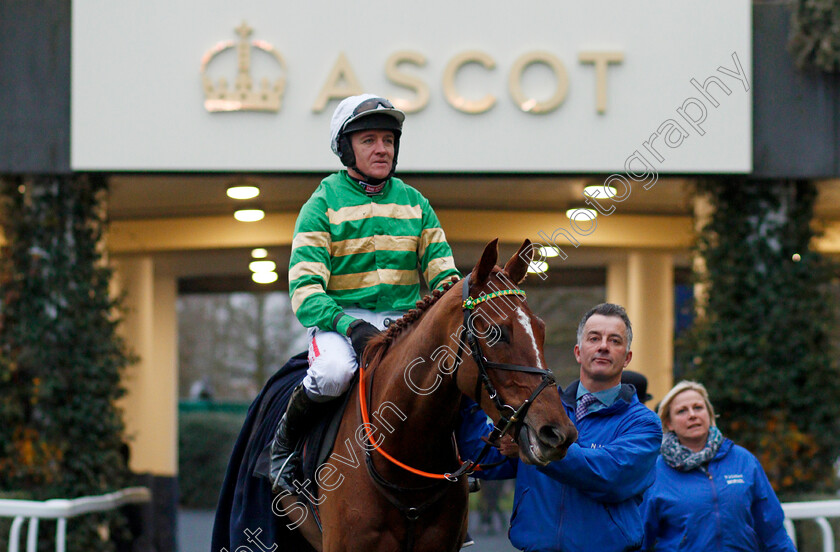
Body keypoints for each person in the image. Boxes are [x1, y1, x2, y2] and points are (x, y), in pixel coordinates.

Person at [270, 94, 461, 492]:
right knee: (333, 374)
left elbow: (444, 276)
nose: (382, 149)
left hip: (404, 323)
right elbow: (305, 290)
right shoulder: (320, 204)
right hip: (340, 322)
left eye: (388, 140)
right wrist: (347, 324)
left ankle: (459, 464)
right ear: (346, 148)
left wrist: (454, 301)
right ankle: (283, 448)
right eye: (369, 140)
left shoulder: (416, 204)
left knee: (452, 371)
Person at [458, 302, 663, 552]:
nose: (603, 346)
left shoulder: (644, 424)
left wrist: (534, 444)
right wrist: (467, 396)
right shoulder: (538, 412)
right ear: (578, 351)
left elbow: (607, 475)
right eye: (594, 338)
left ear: (627, 357)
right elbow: (482, 457)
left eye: (615, 341)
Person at [640, 381, 796, 551]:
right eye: (681, 411)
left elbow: (773, 532)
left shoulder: (743, 460)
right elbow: (639, 539)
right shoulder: (655, 472)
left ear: (709, 414)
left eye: (698, 407)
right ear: (669, 423)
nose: (692, 415)